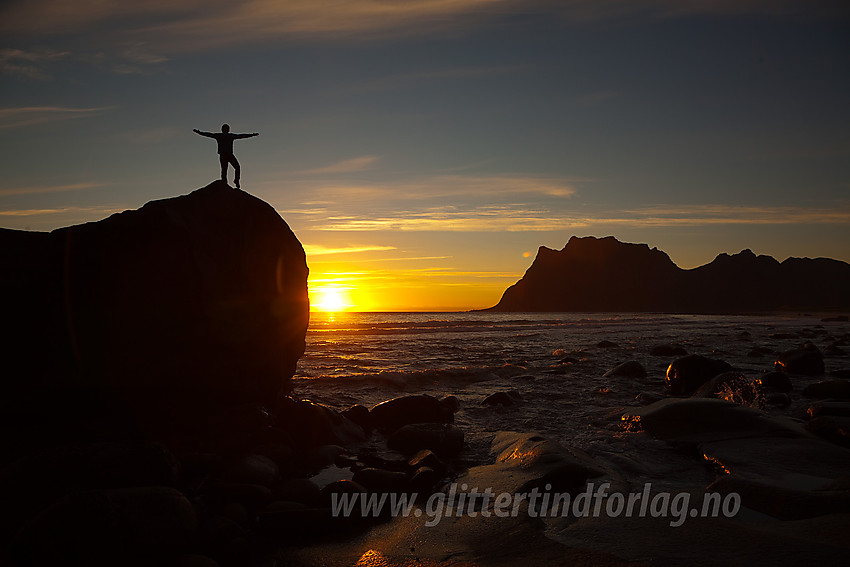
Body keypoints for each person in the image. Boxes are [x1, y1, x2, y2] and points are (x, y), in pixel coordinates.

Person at [193, 124, 259, 188]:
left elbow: (208, 134)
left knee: (227, 169)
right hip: (227, 155)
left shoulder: (222, 136)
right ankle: (230, 182)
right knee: (232, 168)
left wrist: (199, 132)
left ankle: (231, 181)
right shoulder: (226, 136)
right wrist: (252, 135)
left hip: (226, 155)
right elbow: (241, 136)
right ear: (228, 130)